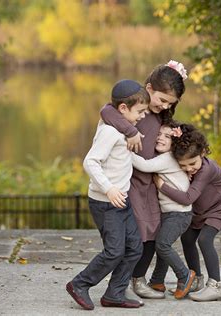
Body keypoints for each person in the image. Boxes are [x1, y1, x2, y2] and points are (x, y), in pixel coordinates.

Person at [100, 60, 193, 300]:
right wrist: (131, 131)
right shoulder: (135, 109)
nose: (163, 106)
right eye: (161, 100)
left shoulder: (162, 119)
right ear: (149, 88)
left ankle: (139, 280)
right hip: (129, 183)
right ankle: (122, 283)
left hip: (150, 185)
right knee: (135, 235)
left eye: (169, 104)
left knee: (153, 233)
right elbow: (106, 111)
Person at [66, 79, 149, 310]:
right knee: (114, 252)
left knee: (134, 248)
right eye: (140, 111)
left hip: (122, 201)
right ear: (123, 109)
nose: (143, 116)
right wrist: (109, 188)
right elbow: (90, 162)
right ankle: (79, 284)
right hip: (105, 202)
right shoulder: (110, 131)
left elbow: (125, 158)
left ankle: (114, 294)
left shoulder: (123, 128)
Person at [153, 123, 221, 302]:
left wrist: (162, 186)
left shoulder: (207, 169)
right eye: (184, 166)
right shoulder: (190, 167)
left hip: (220, 206)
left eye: (192, 163)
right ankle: (196, 280)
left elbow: (187, 198)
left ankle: (216, 286)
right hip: (201, 210)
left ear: (203, 153)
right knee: (188, 238)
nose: (189, 168)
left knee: (205, 239)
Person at [130, 122, 195, 299]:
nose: (160, 138)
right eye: (159, 134)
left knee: (162, 245)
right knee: (162, 245)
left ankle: (184, 275)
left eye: (167, 136)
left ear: (175, 143)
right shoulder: (167, 158)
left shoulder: (168, 158)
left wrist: (125, 150)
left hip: (179, 214)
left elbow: (143, 165)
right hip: (171, 213)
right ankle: (157, 281)